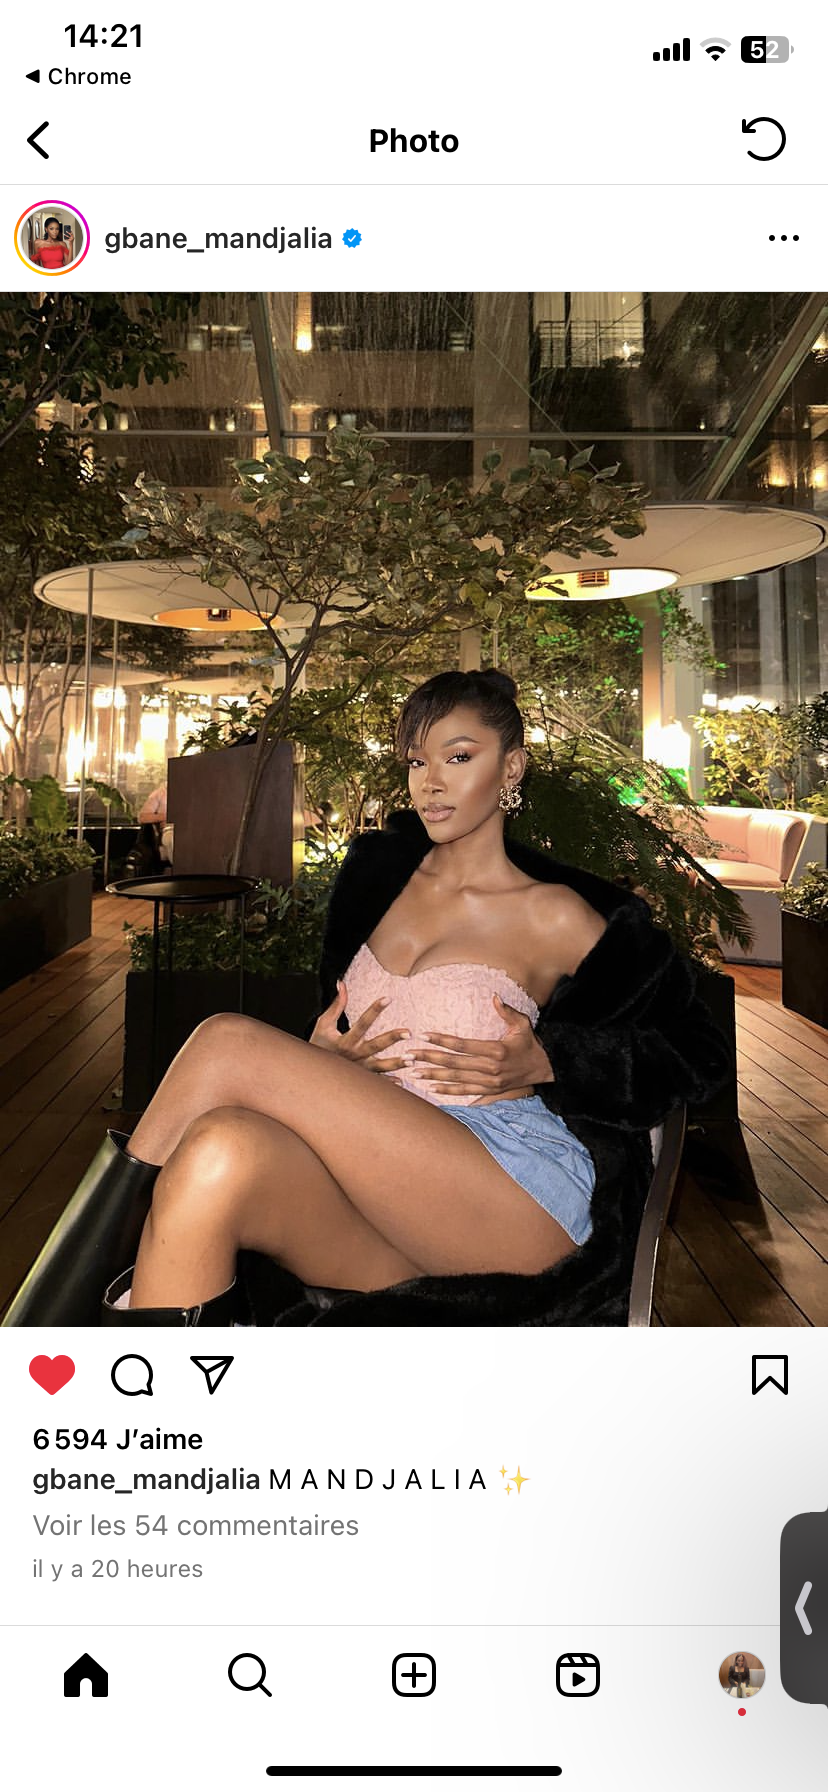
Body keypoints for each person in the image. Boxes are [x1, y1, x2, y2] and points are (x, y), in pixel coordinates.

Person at [3, 668, 732, 1328]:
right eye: (416, 761)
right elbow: (339, 1039)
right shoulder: (379, 881)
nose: (431, 783)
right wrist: (323, 1056)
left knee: (225, 1041)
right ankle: (144, 1405)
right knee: (218, 1151)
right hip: (378, 1187)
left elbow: (700, 1051)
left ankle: (48, 1324)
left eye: (458, 757)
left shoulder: (558, 913)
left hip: (506, 1194)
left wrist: (553, 1060)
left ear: (511, 767)